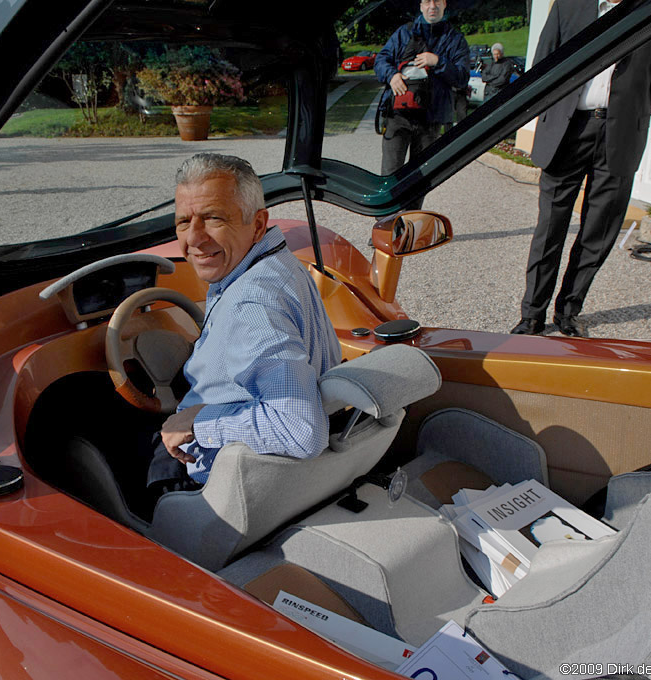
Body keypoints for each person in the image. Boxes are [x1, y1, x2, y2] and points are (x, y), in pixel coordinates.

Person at [146, 153, 341, 497]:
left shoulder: (252, 305)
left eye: (213, 218)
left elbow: (300, 430)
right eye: (183, 222)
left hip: (215, 480)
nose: (193, 238)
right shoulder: (279, 263)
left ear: (258, 223)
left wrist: (198, 422)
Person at [511, 0, 651, 337]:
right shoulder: (568, 7)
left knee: (599, 230)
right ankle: (532, 315)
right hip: (568, 130)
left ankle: (569, 310)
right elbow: (544, 64)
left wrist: (629, 113)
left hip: (620, 134)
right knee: (550, 227)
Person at [375, 0, 470, 178]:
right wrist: (391, 76)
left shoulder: (455, 40)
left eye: (437, 1)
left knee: (420, 180)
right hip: (398, 115)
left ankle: (413, 208)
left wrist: (438, 62)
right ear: (420, 6)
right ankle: (392, 207)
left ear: (444, 4)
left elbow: (462, 78)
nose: (432, 6)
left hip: (431, 120)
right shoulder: (404, 33)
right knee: (390, 177)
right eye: (427, 1)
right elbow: (381, 60)